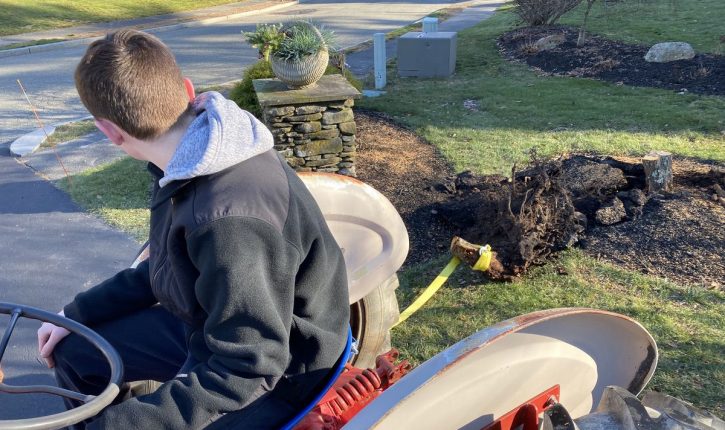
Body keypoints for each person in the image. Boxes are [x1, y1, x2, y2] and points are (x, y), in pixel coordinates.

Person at [36, 29, 350, 429]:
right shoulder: (185, 161)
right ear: (186, 89)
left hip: (280, 373)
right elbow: (168, 266)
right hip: (212, 322)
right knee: (76, 352)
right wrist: (74, 313)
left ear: (109, 132)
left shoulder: (228, 222)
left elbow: (250, 368)